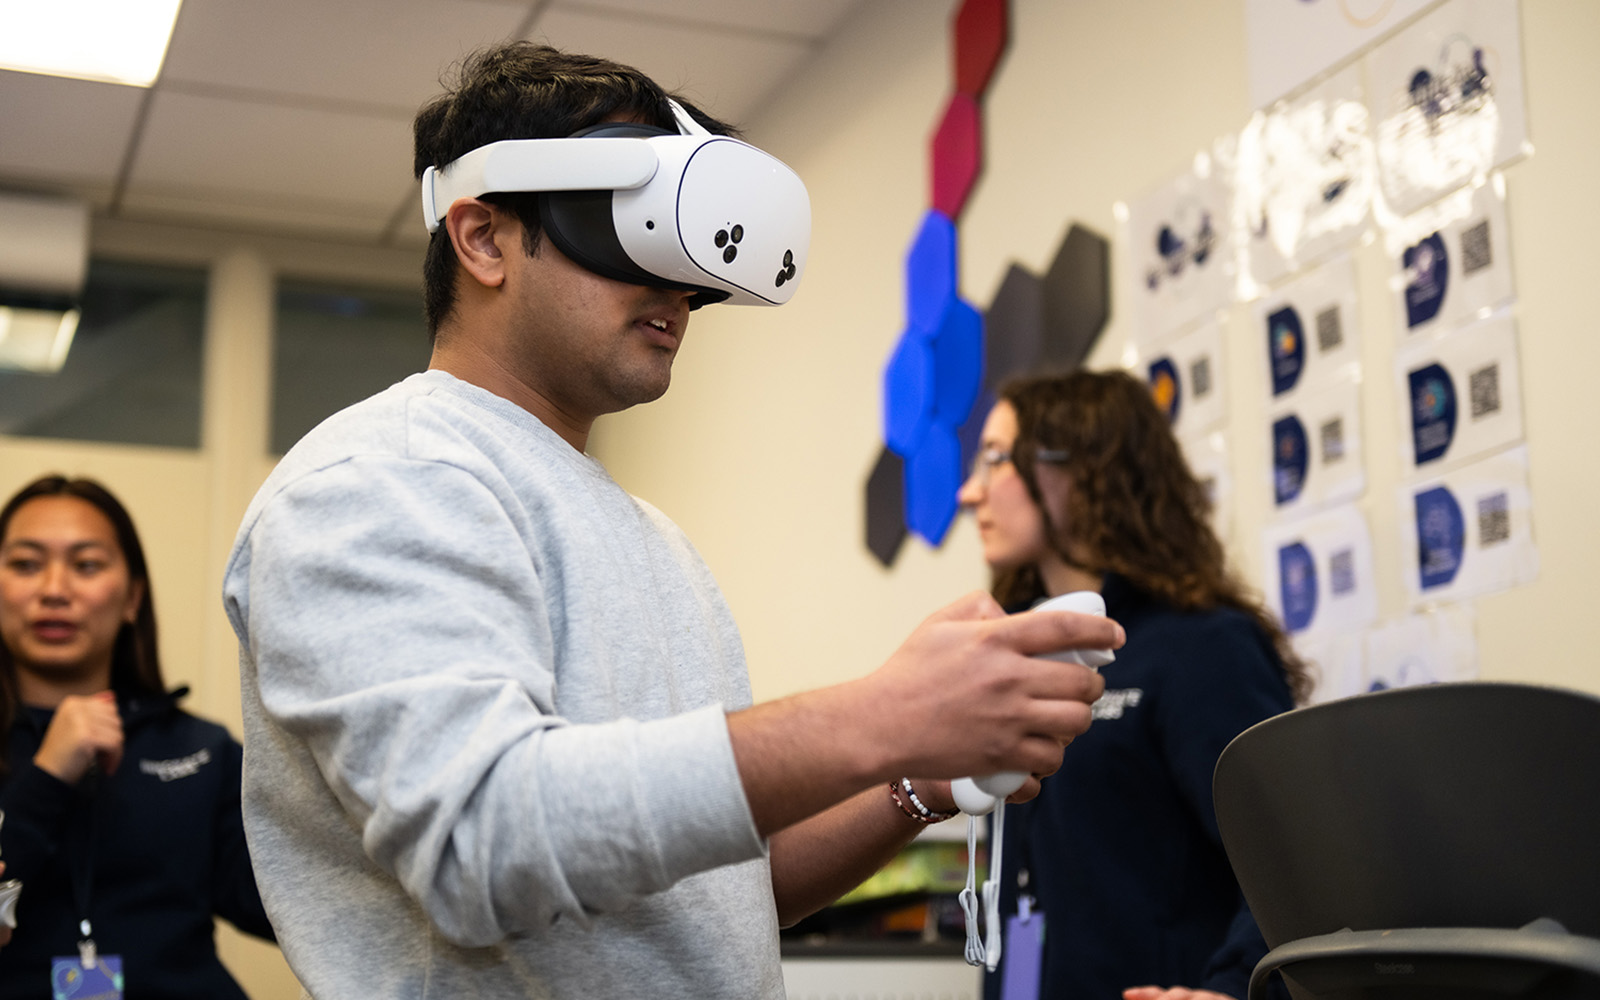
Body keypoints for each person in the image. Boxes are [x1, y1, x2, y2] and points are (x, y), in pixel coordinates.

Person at [221, 41, 1121, 999]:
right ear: (483, 239)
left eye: (690, 254)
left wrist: (921, 777)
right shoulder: (381, 477)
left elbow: (724, 892)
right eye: (633, 225)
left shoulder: (656, 540)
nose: (681, 288)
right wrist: (880, 712)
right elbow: (484, 843)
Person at [958, 370, 1312, 1000]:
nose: (969, 493)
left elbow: (1292, 858)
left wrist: (1234, 989)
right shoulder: (1020, 658)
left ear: (1081, 469)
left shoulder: (1204, 647)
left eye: (995, 461)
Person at [0, 475, 274, 998]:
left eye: (86, 565)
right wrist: (47, 777)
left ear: (132, 598)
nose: (54, 590)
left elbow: (296, 912)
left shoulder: (203, 752)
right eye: (26, 564)